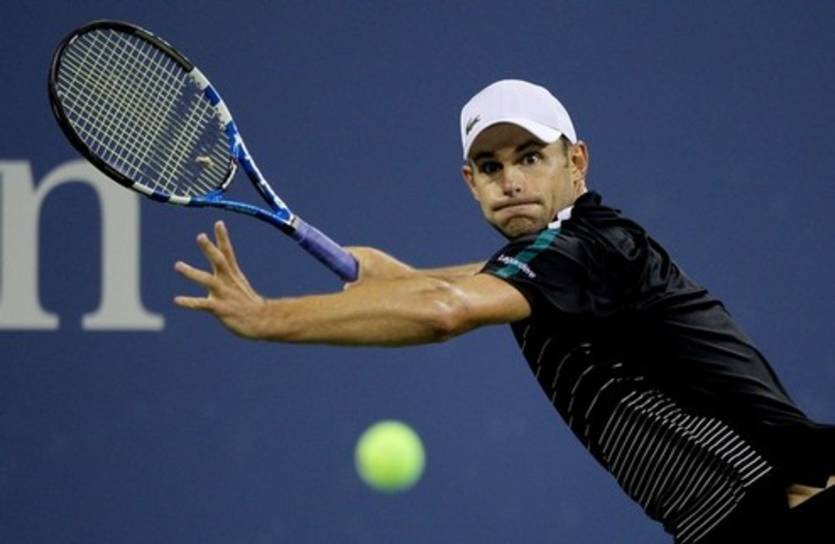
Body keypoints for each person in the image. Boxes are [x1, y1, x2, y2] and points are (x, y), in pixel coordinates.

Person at [174, 79, 834, 542]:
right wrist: (391, 276)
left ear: (576, 162)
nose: (510, 180)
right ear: (470, 183)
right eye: (489, 166)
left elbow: (444, 310)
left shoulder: (586, 248)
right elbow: (457, 283)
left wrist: (266, 317)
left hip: (791, 502)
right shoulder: (568, 256)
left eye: (530, 157)